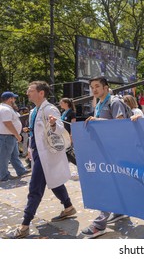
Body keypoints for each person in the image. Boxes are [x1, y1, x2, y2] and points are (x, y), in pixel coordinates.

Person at [5, 82, 76, 239]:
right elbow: (35, 134)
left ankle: (24, 225)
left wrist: (52, 124)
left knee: (35, 188)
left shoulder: (50, 109)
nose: (27, 92)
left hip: (47, 154)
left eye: (30, 90)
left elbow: (59, 128)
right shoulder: (34, 111)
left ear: (41, 93)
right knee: (54, 182)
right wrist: (30, 149)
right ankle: (69, 207)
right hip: (38, 153)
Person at [81, 76, 130, 238]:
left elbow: (120, 124)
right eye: (92, 87)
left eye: (97, 86)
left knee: (107, 185)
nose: (94, 90)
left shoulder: (114, 102)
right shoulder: (99, 103)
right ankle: (120, 210)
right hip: (105, 151)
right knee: (113, 183)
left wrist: (97, 121)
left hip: (115, 152)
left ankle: (100, 224)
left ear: (106, 87)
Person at [0, 92, 31, 181]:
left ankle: (21, 170)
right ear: (10, 99)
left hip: (9, 136)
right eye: (14, 98)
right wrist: (17, 135)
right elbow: (8, 123)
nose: (15, 100)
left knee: (14, 155)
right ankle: (3, 175)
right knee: (4, 156)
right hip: (7, 136)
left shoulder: (5, 108)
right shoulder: (5, 109)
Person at [59, 98, 77, 165]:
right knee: (65, 152)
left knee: (69, 151)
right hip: (63, 134)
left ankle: (78, 164)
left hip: (68, 134)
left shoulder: (71, 113)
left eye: (61, 103)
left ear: (66, 103)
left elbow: (73, 124)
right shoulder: (63, 112)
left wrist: (71, 134)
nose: (60, 104)